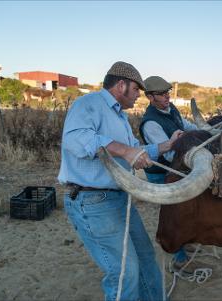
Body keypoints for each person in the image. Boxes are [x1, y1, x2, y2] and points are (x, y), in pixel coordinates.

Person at [58, 62, 181, 301]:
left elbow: (136, 150)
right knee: (125, 272)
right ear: (121, 85)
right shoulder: (88, 104)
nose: (139, 96)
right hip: (92, 201)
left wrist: (168, 145)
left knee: (146, 260)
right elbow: (75, 139)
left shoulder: (121, 118)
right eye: (136, 90)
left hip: (119, 198)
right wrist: (124, 151)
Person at [138, 76, 199, 273]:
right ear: (149, 97)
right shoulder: (150, 124)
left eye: (167, 93)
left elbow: (185, 126)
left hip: (178, 169)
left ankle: (186, 242)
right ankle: (180, 259)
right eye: (162, 94)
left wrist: (204, 132)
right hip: (161, 173)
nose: (167, 97)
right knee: (174, 216)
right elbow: (170, 154)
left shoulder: (171, 110)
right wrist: (196, 150)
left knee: (186, 210)